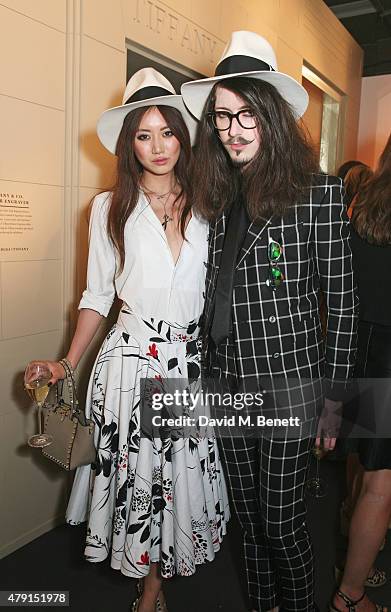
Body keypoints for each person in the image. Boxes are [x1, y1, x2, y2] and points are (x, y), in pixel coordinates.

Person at [30, 68, 229, 612]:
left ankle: (154, 588)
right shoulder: (108, 209)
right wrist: (66, 364)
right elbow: (96, 296)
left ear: (183, 137)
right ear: (129, 144)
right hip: (128, 367)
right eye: (144, 135)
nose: (158, 146)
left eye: (167, 132)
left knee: (173, 487)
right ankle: (149, 594)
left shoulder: (211, 202)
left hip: (186, 368)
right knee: (139, 485)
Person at [181, 31, 358, 612]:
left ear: (273, 117)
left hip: (290, 386)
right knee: (249, 520)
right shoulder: (219, 194)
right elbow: (216, 294)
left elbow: (344, 306)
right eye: (222, 117)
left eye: (246, 114)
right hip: (229, 382)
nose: (232, 129)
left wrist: (333, 403)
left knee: (283, 523)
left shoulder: (319, 195)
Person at [331, 135, 391, 612]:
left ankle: (355, 559)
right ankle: (351, 595)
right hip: (389, 358)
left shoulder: (361, 206)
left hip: (357, 351)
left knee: (362, 466)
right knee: (382, 487)